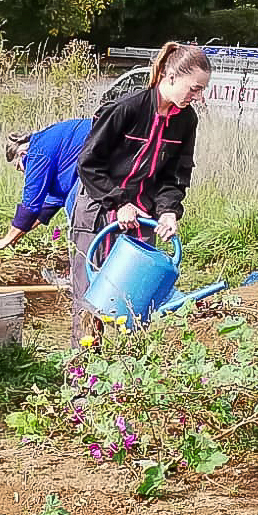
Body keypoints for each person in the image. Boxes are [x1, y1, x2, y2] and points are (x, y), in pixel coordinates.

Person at [71, 42, 207, 341]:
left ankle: (122, 373)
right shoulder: (127, 109)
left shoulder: (186, 121)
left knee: (134, 299)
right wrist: (119, 202)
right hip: (99, 210)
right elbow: (89, 164)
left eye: (200, 91)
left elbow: (175, 173)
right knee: (91, 299)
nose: (197, 96)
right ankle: (81, 375)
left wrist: (169, 210)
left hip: (141, 215)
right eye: (194, 88)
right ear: (170, 77)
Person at [0, 119, 93, 255]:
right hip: (98, 152)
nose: (23, 172)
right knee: (73, 201)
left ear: (22, 155)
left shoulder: (37, 153)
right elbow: (50, 204)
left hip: (102, 149)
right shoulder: (45, 142)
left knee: (79, 211)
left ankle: (87, 270)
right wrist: (15, 237)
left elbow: (30, 205)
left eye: (19, 167)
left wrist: (5, 240)